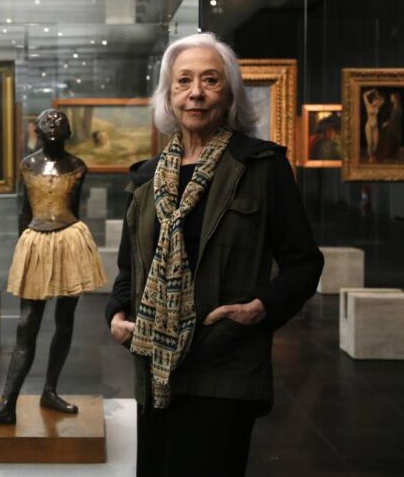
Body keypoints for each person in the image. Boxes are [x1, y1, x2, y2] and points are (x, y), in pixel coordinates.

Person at [105, 33, 323, 477]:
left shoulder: (262, 166)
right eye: (183, 81)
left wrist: (259, 308)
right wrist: (116, 313)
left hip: (226, 363)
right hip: (155, 371)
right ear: (169, 96)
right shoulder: (146, 179)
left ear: (229, 95)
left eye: (210, 80)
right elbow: (129, 269)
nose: (196, 92)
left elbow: (304, 262)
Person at [0, 108, 106, 425]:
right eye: (48, 122)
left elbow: (74, 208)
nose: (55, 124)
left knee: (65, 320)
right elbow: (24, 210)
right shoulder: (28, 165)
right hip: (37, 240)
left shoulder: (78, 166)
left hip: (70, 241)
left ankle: (50, 390)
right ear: (37, 131)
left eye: (59, 121)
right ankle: (7, 403)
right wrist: (21, 249)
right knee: (26, 324)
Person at [363, 88, 385, 163]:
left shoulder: (377, 107)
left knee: (375, 144)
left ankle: (373, 155)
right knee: (369, 143)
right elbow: (364, 95)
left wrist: (377, 95)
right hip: (368, 126)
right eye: (375, 100)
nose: (376, 101)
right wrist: (372, 91)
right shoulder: (368, 105)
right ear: (372, 101)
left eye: (377, 101)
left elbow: (382, 100)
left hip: (375, 127)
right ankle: (371, 157)